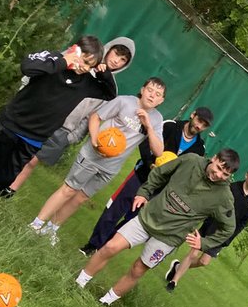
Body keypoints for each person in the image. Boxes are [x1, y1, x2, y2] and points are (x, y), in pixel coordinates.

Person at [0, 36, 113, 207]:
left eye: (90, 66)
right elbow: (27, 67)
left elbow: (110, 94)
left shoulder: (86, 83)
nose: (84, 68)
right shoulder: (52, 59)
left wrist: (104, 72)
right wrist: (63, 61)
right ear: (75, 49)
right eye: (84, 61)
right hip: (11, 125)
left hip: (34, 138)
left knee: (5, 178)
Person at [74, 147, 239, 304]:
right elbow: (160, 173)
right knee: (111, 247)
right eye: (218, 168)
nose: (218, 175)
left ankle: (106, 301)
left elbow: (228, 229)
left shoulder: (224, 197)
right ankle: (79, 283)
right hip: (148, 217)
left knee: (138, 269)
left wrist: (204, 243)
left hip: (169, 237)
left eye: (225, 174)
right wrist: (144, 192)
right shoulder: (190, 160)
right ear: (214, 158)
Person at [28, 78, 166, 244]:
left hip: (111, 167)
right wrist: (94, 139)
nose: (152, 95)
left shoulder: (157, 119)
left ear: (161, 100)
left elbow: (158, 151)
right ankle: (36, 224)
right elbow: (96, 117)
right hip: (92, 155)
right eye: (150, 90)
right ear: (143, 89)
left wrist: (149, 126)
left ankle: (51, 228)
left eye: (157, 94)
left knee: (81, 198)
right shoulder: (124, 101)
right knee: (69, 190)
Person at [6, 38, 135, 194]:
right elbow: (45, 68)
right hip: (40, 114)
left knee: (32, 161)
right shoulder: (78, 57)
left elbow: (94, 115)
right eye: (116, 54)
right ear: (108, 49)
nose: (116, 61)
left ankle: (10, 189)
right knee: (13, 150)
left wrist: (72, 136)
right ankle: (0, 177)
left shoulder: (107, 85)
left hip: (64, 129)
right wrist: (24, 86)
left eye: (123, 60)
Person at [80, 107, 213, 254]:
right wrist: (150, 163)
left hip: (158, 191)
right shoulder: (170, 126)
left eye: (204, 125)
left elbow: (188, 174)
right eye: (199, 120)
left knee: (132, 220)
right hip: (141, 176)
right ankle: (92, 245)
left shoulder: (199, 149)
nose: (199, 126)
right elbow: (145, 142)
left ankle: (105, 248)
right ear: (193, 115)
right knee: (114, 211)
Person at [164, 164, 248, 292]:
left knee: (204, 262)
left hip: (223, 235)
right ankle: (174, 282)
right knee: (193, 253)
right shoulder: (231, 188)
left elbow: (244, 221)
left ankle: (178, 267)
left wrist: (230, 236)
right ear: (246, 175)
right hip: (210, 227)